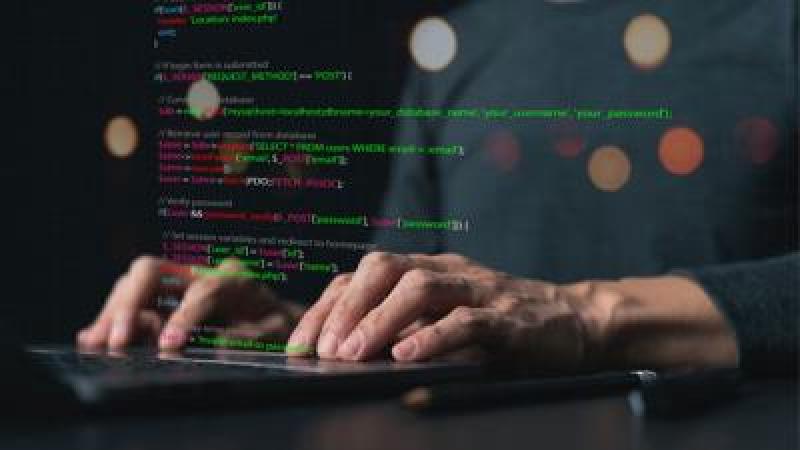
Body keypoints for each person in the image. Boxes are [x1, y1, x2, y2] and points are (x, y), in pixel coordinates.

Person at [77, 0, 798, 376]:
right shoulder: (457, 49)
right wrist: (294, 331)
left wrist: (587, 315)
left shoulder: (777, 20)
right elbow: (416, 298)